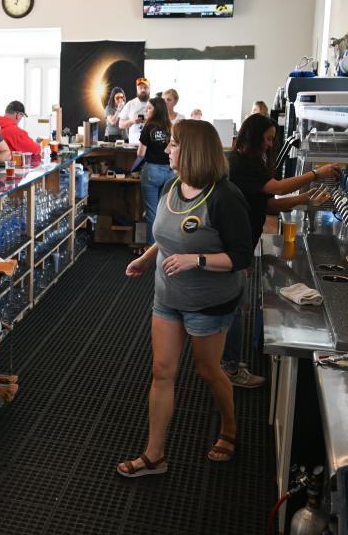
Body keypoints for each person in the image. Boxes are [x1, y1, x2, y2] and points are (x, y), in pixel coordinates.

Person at [118, 120, 253, 477]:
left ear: (192, 151)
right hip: (167, 296)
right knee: (162, 371)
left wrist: (198, 260)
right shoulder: (172, 185)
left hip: (209, 302)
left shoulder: (225, 197)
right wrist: (147, 259)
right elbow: (167, 235)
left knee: (208, 370)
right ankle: (155, 455)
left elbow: (241, 258)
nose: (168, 150)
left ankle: (229, 428)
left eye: (175, 144)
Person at [224, 114, 337, 386]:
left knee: (237, 304)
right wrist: (315, 174)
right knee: (234, 308)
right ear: (255, 136)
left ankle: (226, 361)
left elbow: (267, 204)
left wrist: (304, 199)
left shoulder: (253, 162)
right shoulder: (239, 162)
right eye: (268, 138)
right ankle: (227, 366)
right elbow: (273, 188)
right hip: (235, 241)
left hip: (243, 241)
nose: (271, 143)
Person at [138, 96, 175, 246]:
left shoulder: (148, 127)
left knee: (152, 212)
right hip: (169, 172)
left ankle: (151, 248)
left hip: (152, 171)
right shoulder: (170, 126)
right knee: (164, 211)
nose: (146, 110)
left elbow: (141, 153)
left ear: (156, 110)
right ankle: (163, 247)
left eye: (149, 108)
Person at [119, 78, 151, 143]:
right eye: (140, 88)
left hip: (151, 146)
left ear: (149, 88)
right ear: (137, 89)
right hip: (134, 145)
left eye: (145, 87)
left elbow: (162, 123)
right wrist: (132, 121)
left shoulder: (155, 103)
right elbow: (121, 125)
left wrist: (149, 121)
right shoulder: (130, 104)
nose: (143, 90)